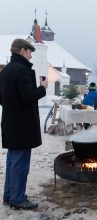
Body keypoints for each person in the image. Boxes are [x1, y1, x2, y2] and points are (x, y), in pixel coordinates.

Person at [0, 38, 48, 209]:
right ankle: (18, 198)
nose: (30, 56)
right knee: (20, 163)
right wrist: (42, 88)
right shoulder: (21, 70)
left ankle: (9, 195)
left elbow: (2, 99)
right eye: (29, 52)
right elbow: (28, 97)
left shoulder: (5, 71)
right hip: (22, 125)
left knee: (12, 161)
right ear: (21, 51)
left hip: (9, 123)